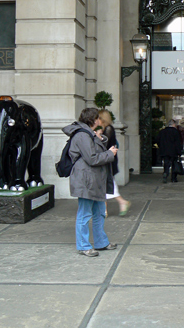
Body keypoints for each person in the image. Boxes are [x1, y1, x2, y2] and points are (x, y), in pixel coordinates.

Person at [63, 108, 118, 257]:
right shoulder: (82, 135)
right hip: (86, 179)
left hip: (93, 179)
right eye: (98, 118)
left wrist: (100, 139)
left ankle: (101, 242)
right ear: (93, 120)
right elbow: (92, 158)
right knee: (85, 213)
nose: (100, 121)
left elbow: (93, 151)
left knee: (99, 212)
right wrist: (109, 154)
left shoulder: (87, 133)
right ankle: (83, 246)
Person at [98, 109, 131, 217]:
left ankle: (117, 204)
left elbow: (104, 144)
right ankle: (109, 208)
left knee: (106, 184)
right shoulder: (108, 128)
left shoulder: (108, 129)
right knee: (106, 184)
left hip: (107, 161)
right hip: (107, 160)